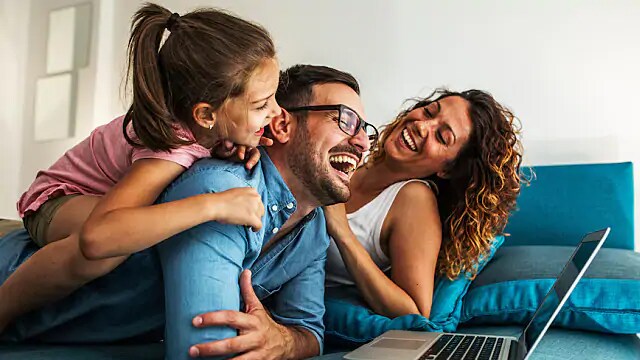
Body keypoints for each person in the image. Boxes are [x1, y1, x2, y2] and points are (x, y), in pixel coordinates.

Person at [0, 64, 376, 360]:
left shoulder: (312, 230)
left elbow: (308, 331)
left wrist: (284, 341)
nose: (361, 141)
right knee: (101, 240)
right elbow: (201, 349)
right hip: (38, 246)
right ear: (280, 124)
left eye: (366, 130)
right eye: (345, 119)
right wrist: (212, 203)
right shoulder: (219, 185)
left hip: (90, 327)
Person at [0, 3, 281, 333]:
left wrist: (223, 143)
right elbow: (97, 237)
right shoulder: (169, 147)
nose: (275, 112)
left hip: (95, 197)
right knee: (113, 247)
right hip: (55, 202)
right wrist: (215, 205)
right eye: (262, 105)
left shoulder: (203, 128)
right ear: (205, 115)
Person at [324, 89, 523, 319]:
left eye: (441, 137)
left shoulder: (414, 200)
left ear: (447, 169)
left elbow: (416, 312)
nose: (422, 126)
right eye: (429, 112)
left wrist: (342, 232)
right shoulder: (359, 146)